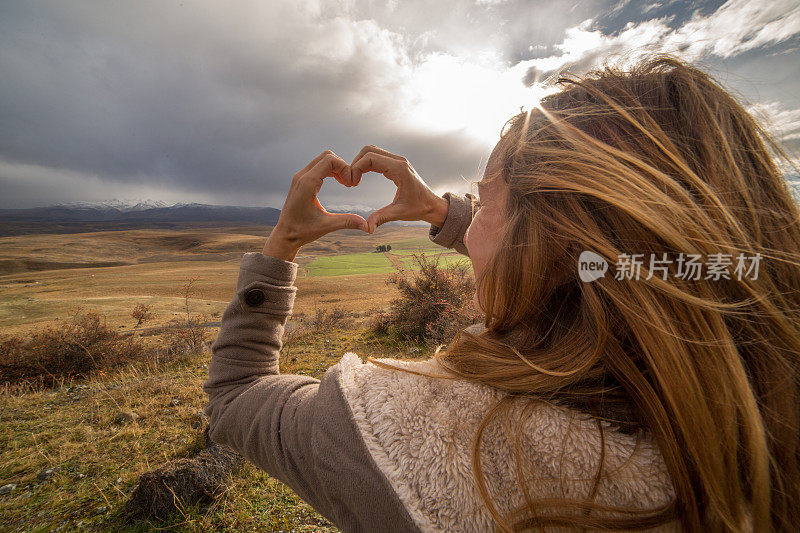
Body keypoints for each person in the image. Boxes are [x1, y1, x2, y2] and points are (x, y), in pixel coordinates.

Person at [203, 56, 800, 531]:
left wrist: (281, 246)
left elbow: (236, 395)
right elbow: (602, 266)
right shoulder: (759, 400)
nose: (475, 213)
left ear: (546, 245)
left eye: (487, 201)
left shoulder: (403, 431)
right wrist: (448, 213)